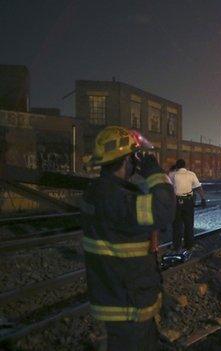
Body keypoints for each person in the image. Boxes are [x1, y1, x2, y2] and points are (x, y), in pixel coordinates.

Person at [80, 126, 175, 350]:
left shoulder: (101, 191)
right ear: (126, 160)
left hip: (121, 294)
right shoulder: (114, 198)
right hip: (126, 302)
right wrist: (154, 172)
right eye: (135, 157)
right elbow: (164, 209)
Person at [170, 159, 207, 251]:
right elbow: (199, 188)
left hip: (176, 202)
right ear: (185, 166)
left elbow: (168, 188)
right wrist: (203, 199)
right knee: (189, 224)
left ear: (177, 166)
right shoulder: (191, 174)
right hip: (188, 202)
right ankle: (189, 245)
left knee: (177, 225)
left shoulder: (172, 175)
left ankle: (177, 246)